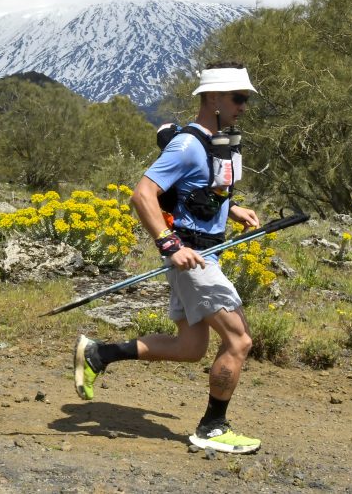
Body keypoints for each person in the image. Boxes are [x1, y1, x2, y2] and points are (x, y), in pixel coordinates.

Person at [72, 61, 263, 454]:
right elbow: (143, 194)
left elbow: (198, 192)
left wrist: (233, 210)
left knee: (189, 348)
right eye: (238, 98)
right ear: (212, 98)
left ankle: (98, 353)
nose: (243, 106)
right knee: (239, 340)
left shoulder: (213, 143)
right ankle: (212, 428)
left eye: (245, 99)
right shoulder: (188, 144)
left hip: (202, 253)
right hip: (193, 258)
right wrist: (170, 245)